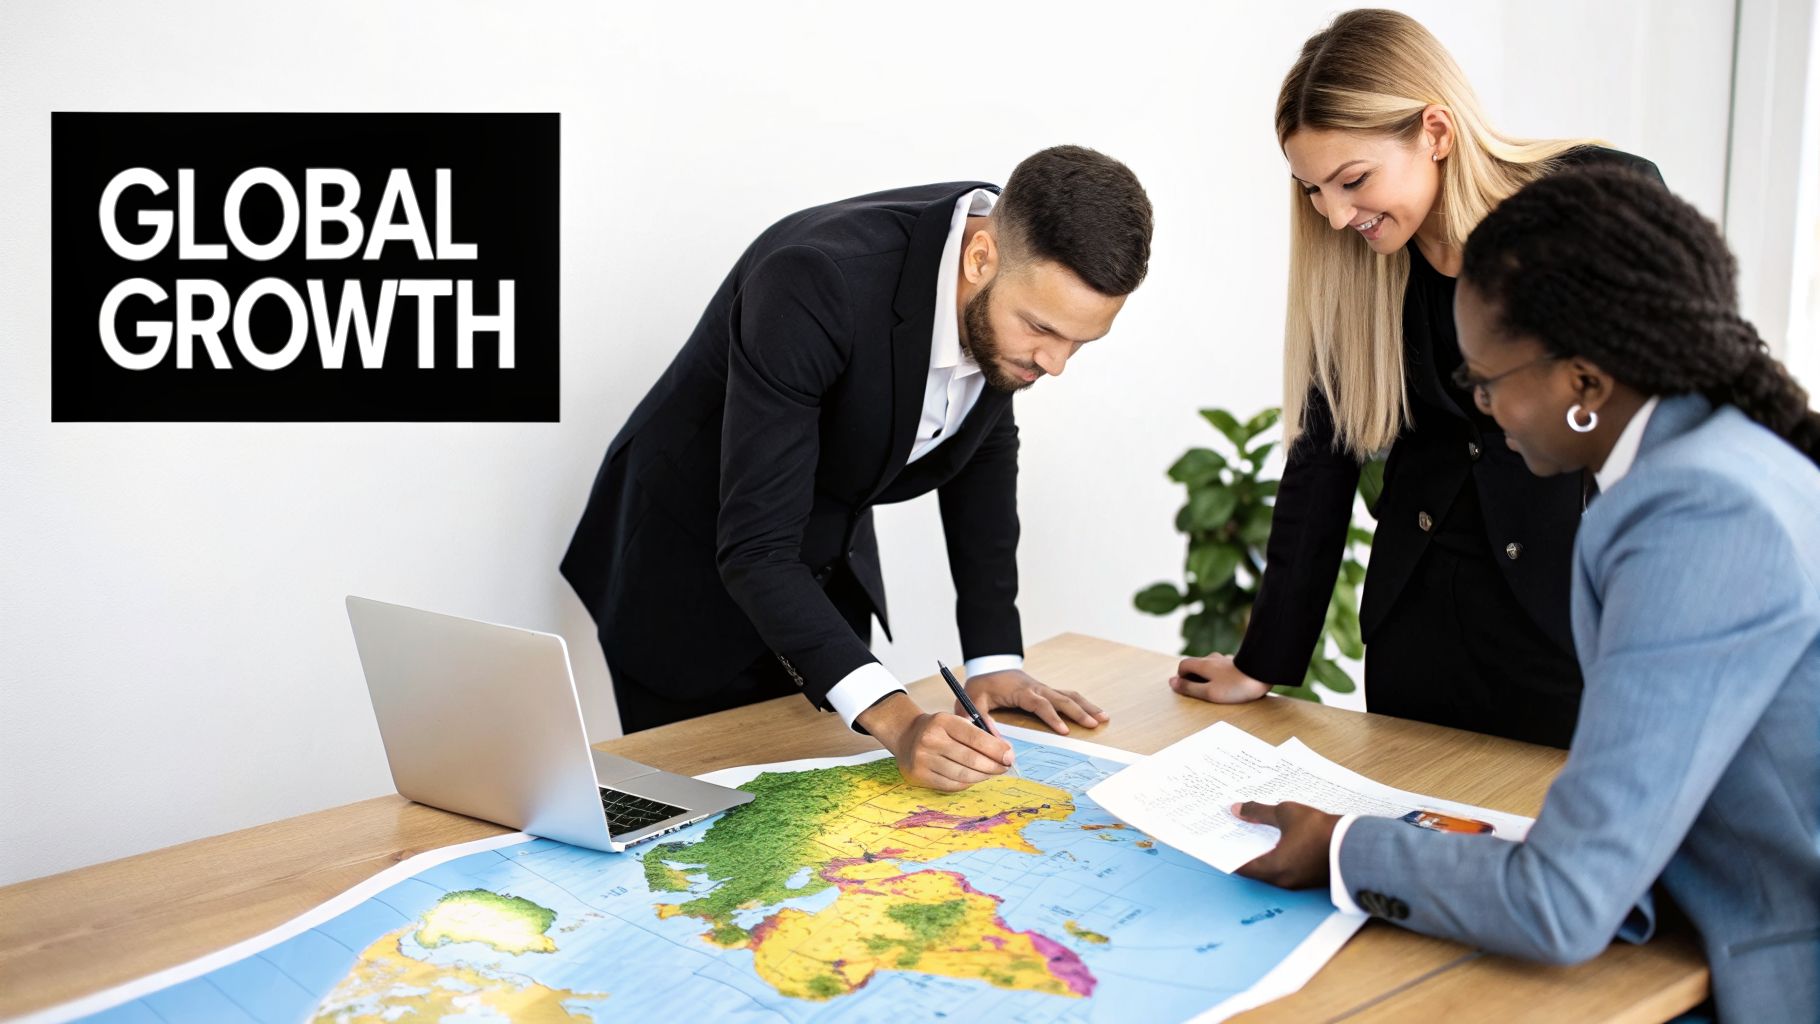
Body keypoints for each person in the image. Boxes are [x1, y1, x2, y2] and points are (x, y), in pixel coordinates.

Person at [1230, 166, 1820, 1023]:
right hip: (1690, 913)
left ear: (1583, 384)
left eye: (1488, 379)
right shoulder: (1717, 458)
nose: (1481, 408)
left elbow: (1563, 901)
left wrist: (1343, 847)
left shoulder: (1696, 512)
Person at [562, 146, 1152, 790]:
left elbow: (983, 450)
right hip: (682, 578)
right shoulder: (816, 278)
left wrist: (994, 660)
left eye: (1079, 343)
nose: (1056, 364)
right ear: (979, 257)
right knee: (709, 846)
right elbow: (756, 548)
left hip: (822, 570)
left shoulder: (1011, 283)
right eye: (1042, 330)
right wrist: (898, 721)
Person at [1170, 8, 1659, 747]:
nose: (1334, 216)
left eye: (1352, 180)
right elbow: (1321, 460)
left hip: (1570, 636)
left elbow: (1671, 429)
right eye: (1312, 189)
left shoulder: (1601, 197)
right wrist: (1262, 659)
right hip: (1416, 637)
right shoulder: (1358, 270)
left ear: (1434, 130)